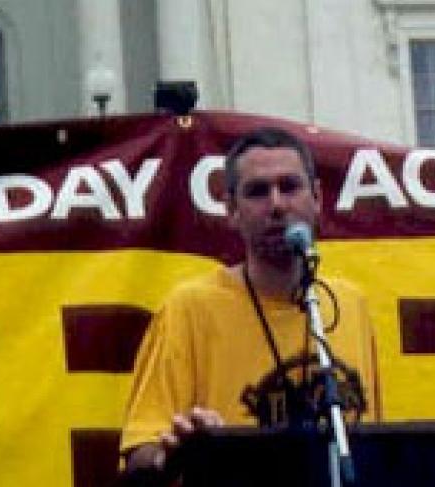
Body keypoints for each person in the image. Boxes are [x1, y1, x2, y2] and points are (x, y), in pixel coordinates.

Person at [119, 127, 381, 482]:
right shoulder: (189, 308)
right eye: (257, 192)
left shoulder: (349, 305)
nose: (277, 205)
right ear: (232, 210)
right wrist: (173, 455)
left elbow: (376, 447)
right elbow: (138, 457)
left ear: (317, 198)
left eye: (289, 187)